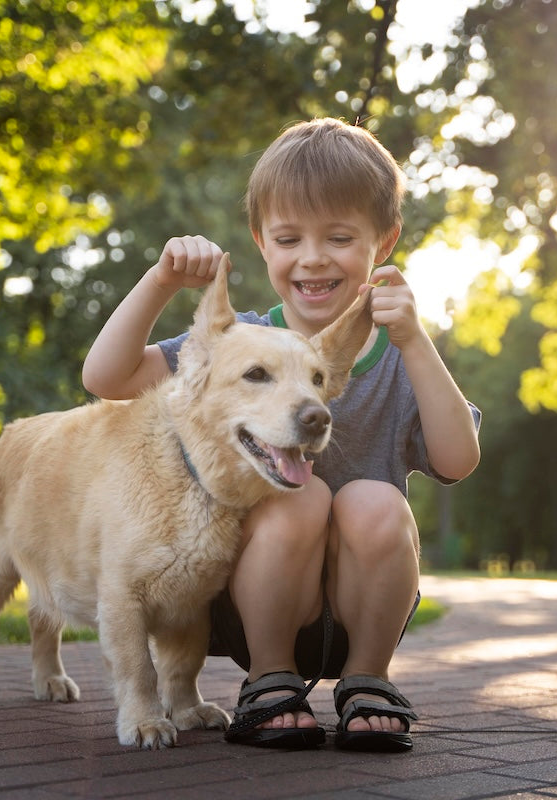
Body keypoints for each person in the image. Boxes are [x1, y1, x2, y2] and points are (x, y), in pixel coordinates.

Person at [82, 118, 480, 752]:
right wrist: (161, 280)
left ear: (385, 240)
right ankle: (269, 682)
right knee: (301, 495)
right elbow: (108, 377)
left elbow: (458, 461)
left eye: (341, 236)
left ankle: (368, 681)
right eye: (289, 237)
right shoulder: (236, 342)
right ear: (261, 243)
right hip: (251, 611)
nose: (314, 257)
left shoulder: (403, 352)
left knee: (373, 499)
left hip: (361, 613)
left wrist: (416, 340)